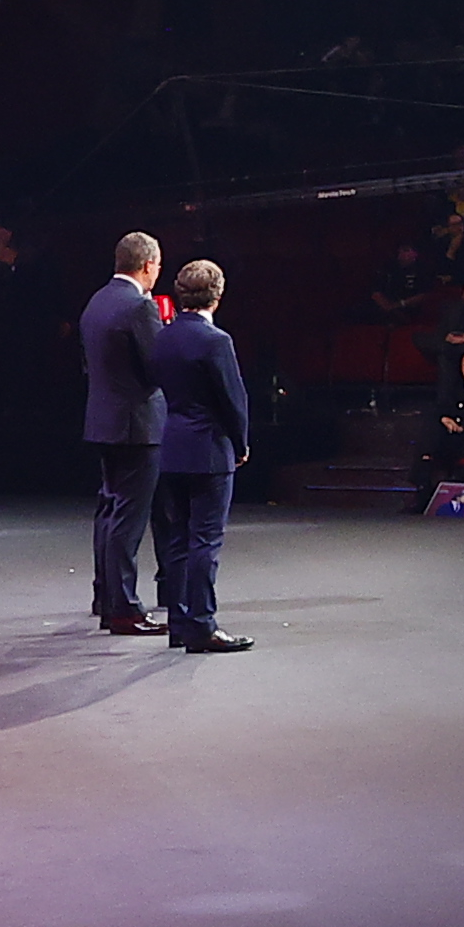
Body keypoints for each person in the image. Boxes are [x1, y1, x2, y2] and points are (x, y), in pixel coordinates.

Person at [145, 257, 254, 654]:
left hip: (170, 445)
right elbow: (232, 399)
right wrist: (240, 443)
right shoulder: (216, 341)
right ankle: (202, 625)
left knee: (176, 541)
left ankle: (179, 623)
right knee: (205, 541)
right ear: (218, 296)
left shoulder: (163, 337)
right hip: (208, 449)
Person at [80, 230, 169, 637]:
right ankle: (124, 608)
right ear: (148, 264)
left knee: (110, 512)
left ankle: (106, 597)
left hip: (103, 419)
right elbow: (159, 368)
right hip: (136, 424)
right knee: (129, 519)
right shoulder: (139, 308)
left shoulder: (96, 301)